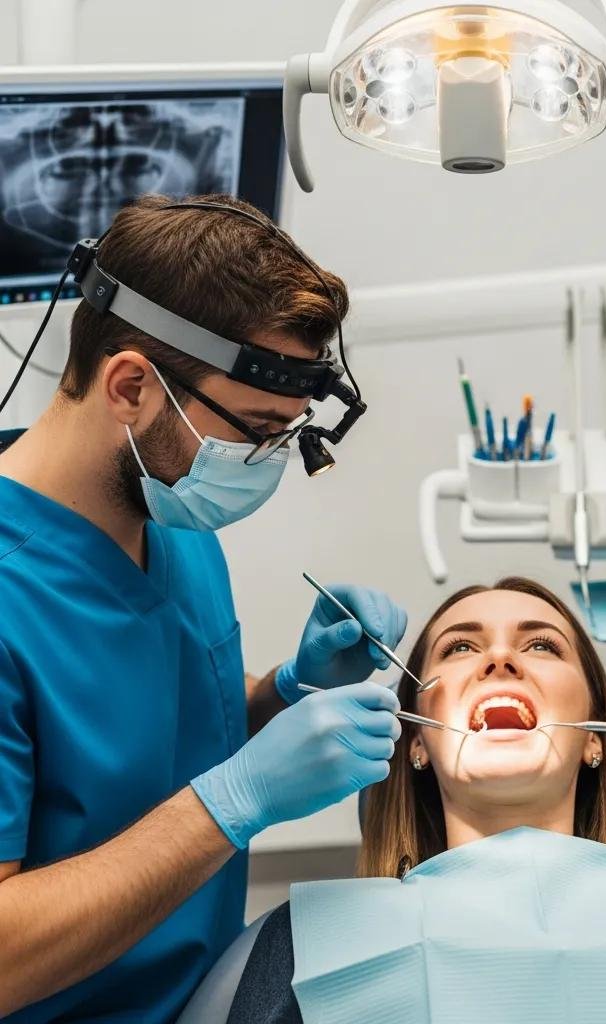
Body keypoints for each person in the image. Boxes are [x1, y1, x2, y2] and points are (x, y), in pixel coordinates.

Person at [0, 194, 409, 1023]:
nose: (264, 464)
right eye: (255, 433)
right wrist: (237, 801)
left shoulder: (170, 514)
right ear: (130, 386)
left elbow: (154, 739)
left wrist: (284, 694)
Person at [221, 578, 606, 1024]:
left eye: (542, 645)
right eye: (459, 648)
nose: (500, 658)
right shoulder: (313, 941)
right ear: (416, 746)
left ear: (594, 738)